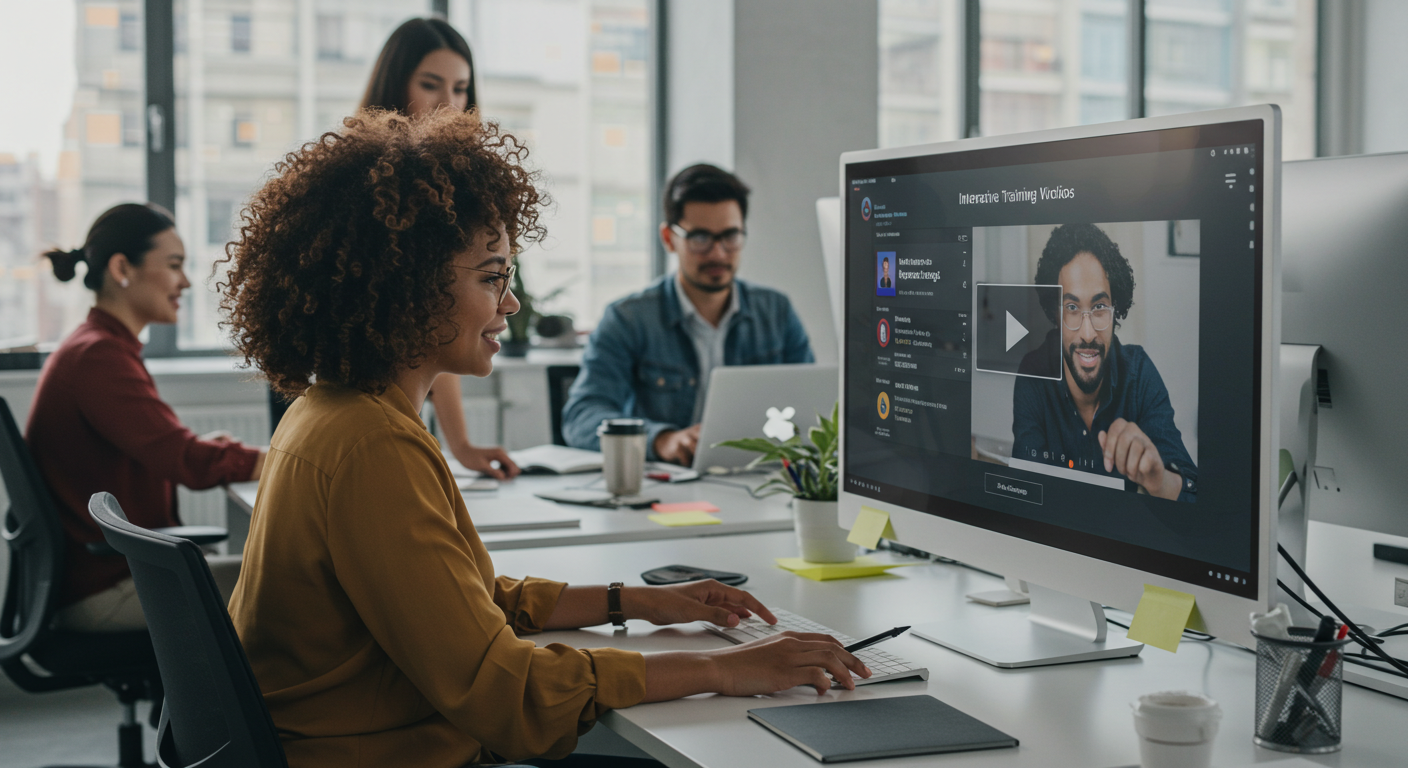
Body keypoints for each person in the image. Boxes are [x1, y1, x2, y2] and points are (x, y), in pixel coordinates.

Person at [219, 109, 868, 767]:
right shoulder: (372, 448)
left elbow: (467, 601)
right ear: (409, 288)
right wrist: (720, 670)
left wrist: (639, 601)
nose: (511, 304)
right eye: (491, 277)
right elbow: (507, 691)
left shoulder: (333, 411)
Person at [26, 203, 265, 632]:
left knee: (278, 578)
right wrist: (286, 459)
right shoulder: (98, 357)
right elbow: (185, 461)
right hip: (109, 588)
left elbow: (152, 452)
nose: (186, 282)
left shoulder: (96, 347)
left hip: (114, 575)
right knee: (294, 585)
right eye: (174, 265)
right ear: (123, 268)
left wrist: (214, 450)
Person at [562, 164, 814, 465]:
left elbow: (810, 408)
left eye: (730, 236)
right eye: (700, 238)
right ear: (669, 238)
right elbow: (582, 418)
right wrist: (662, 439)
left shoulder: (776, 312)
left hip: (756, 477)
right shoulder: (628, 319)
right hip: (666, 486)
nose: (718, 253)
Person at [359, 16, 519, 479]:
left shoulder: (457, 186)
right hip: (363, 404)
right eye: (431, 84)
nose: (448, 103)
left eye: (462, 88)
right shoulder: (360, 185)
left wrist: (460, 445)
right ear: (395, 84)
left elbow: (445, 327)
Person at [1012, 223, 1197, 501]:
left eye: (1099, 307)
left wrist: (1158, 480)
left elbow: (1194, 494)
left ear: (1115, 309)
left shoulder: (1139, 373)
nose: (1087, 334)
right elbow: (1025, 492)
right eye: (1072, 308)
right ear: (1055, 313)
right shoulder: (1033, 374)